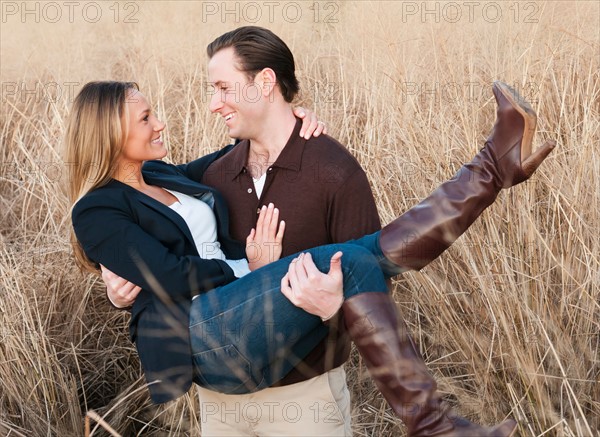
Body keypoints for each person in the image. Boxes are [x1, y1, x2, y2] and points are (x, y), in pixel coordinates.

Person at [68, 78, 554, 436]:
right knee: (349, 259)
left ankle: (492, 169)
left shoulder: (164, 175)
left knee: (357, 259)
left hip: (239, 314)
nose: (161, 123)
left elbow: (241, 149)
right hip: (198, 334)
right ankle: (494, 165)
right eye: (146, 118)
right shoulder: (95, 209)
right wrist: (247, 268)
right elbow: (169, 277)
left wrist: (289, 122)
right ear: (109, 133)